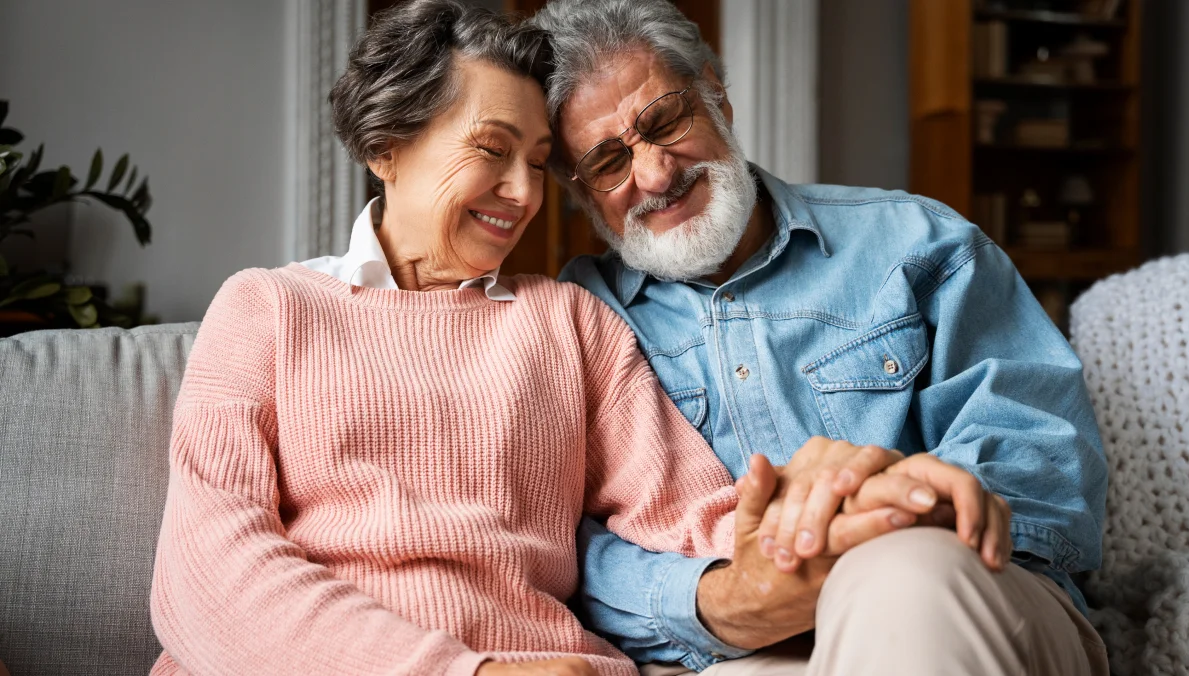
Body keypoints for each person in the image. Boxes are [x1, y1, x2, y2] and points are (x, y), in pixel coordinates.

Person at [147, 2, 929, 675]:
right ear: (384, 145)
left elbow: (693, 514)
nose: (523, 195)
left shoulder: (568, 319)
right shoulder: (268, 309)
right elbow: (206, 571)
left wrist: (832, 525)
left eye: (540, 162)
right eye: (492, 151)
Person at [533, 1, 1111, 674]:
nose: (657, 174)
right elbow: (557, 547)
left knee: (902, 580)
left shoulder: (918, 243)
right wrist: (723, 602)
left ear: (716, 97)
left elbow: (1049, 469)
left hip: (961, 598)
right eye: (608, 161)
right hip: (730, 650)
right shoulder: (575, 319)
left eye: (665, 120)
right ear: (580, 190)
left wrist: (891, 504)